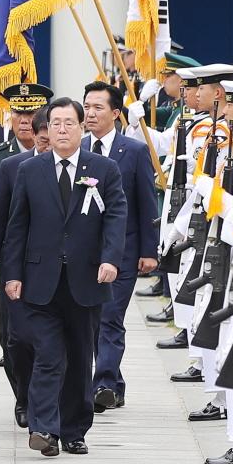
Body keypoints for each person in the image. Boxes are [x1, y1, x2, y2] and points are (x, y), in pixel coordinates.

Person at [1, 96, 128, 456]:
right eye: (55, 123)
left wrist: (110, 259)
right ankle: (44, 428)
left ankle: (74, 430)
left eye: (68, 123)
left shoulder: (103, 169)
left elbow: (116, 217)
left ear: (81, 126)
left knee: (78, 355)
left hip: (85, 280)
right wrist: (11, 274)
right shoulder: (30, 169)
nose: (61, 129)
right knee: (49, 353)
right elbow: (17, 225)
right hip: (39, 280)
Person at [80, 80, 161, 412]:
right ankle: (115, 382)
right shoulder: (78, 148)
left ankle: (103, 384)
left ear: (115, 113)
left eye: (98, 107)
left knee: (111, 317)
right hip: (85, 254)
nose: (90, 113)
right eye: (86, 107)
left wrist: (149, 251)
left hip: (124, 251)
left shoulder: (134, 151)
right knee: (94, 320)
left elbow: (146, 203)